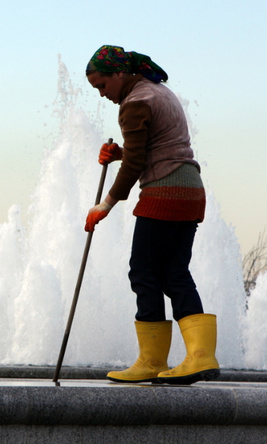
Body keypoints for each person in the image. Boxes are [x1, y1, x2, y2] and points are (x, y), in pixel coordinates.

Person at [84, 45, 219, 385]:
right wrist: (120, 153)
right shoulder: (158, 91)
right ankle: (201, 357)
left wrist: (105, 204)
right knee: (174, 273)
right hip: (191, 189)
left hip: (164, 191)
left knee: (143, 272)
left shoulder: (134, 103)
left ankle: (150, 360)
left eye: (102, 85)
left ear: (118, 74)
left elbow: (137, 163)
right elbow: (151, 147)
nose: (102, 95)